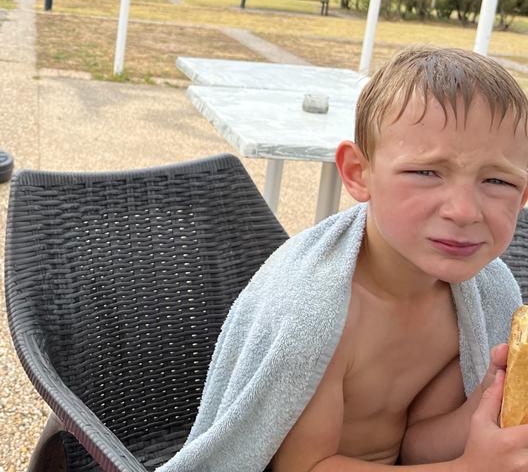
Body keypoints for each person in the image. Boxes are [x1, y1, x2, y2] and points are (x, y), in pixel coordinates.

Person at [158, 46, 528, 472]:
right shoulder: (317, 315)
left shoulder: (471, 299)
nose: (463, 211)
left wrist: (489, 393)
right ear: (357, 173)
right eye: (426, 172)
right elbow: (304, 467)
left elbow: (418, 445)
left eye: (497, 180)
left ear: (523, 195)